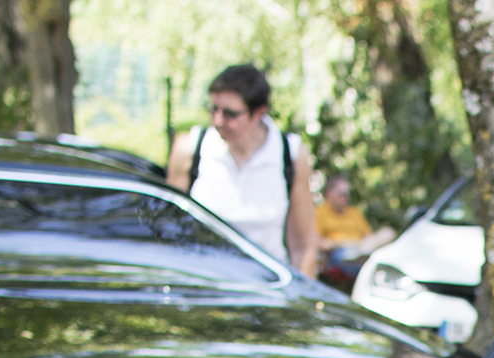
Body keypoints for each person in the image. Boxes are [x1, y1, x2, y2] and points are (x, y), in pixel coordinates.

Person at [167, 64, 316, 276]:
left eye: (230, 114)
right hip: (204, 280)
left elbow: (303, 246)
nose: (218, 120)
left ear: (258, 113)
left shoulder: (290, 155)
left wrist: (301, 294)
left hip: (265, 284)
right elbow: (169, 232)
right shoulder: (190, 149)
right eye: (213, 109)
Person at [313, 174, 397, 281]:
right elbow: (319, 243)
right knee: (351, 256)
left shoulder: (354, 212)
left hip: (363, 247)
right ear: (329, 194)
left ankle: (364, 257)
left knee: (388, 232)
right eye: (342, 194)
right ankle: (363, 260)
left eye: (348, 194)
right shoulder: (319, 213)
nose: (346, 197)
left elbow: (369, 236)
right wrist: (345, 243)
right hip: (338, 252)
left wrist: (362, 245)